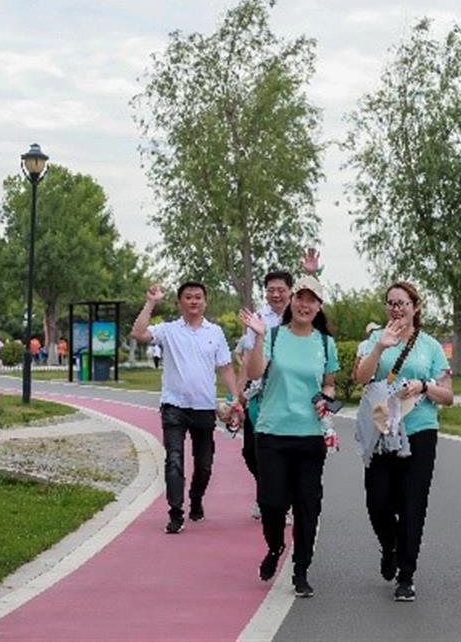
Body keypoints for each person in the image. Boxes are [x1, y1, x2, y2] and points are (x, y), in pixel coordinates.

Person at [240, 274, 339, 599]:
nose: (304, 305)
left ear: (319, 307)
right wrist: (257, 337)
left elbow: (329, 384)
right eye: (300, 298)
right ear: (291, 301)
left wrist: (325, 398)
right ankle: (275, 545)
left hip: (310, 435)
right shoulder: (272, 335)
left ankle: (301, 569)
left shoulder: (325, 343)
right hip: (272, 432)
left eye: (312, 300)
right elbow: (255, 372)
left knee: (307, 506)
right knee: (272, 502)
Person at [353, 281, 453, 602]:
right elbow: (360, 377)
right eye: (391, 303)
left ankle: (406, 576)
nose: (396, 309)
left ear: (415, 307)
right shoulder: (374, 340)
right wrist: (380, 348)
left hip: (420, 430)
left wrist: (423, 385)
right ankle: (390, 546)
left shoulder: (430, 346)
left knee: (413, 504)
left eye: (402, 303)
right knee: (377, 501)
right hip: (382, 431)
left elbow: (448, 395)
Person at [131, 281, 240, 535]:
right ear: (180, 303)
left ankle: (196, 498)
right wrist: (151, 303)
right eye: (188, 297)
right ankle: (175, 512)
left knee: (204, 465)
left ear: (205, 302)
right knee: (174, 459)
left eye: (198, 297)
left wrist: (235, 397)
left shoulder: (215, 332)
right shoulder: (168, 330)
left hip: (204, 407)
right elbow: (138, 333)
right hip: (174, 407)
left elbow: (225, 367)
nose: (194, 301)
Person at [236, 248, 322, 521]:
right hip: (260, 393)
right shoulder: (258, 319)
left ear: (290, 293)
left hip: (292, 395)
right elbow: (247, 358)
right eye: (270, 290)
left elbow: (315, 301)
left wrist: (311, 274)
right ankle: (270, 491)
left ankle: (283, 497)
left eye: (281, 290)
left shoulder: (299, 315)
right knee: (251, 451)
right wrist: (238, 396)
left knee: (286, 451)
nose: (276, 294)